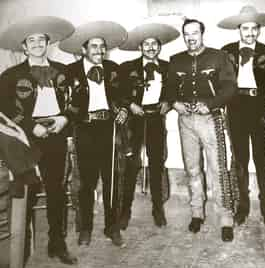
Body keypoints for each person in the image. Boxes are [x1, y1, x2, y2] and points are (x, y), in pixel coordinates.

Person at [0, 16, 77, 264]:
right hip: (25, 137)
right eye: (31, 40)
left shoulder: (63, 71)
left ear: (48, 43)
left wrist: (64, 118)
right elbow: (5, 107)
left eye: (40, 39)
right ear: (24, 47)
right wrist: (31, 126)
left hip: (56, 133)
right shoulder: (10, 75)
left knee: (56, 190)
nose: (36, 44)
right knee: (25, 191)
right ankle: (19, 248)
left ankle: (57, 243)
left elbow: (77, 101)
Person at [164, 18, 237, 242]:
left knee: (218, 168)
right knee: (192, 169)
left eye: (195, 33)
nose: (191, 38)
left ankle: (225, 218)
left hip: (210, 119)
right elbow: (168, 88)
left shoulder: (219, 57)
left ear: (202, 34)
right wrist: (175, 103)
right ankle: (197, 212)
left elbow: (230, 87)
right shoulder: (176, 60)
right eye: (187, 34)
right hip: (185, 120)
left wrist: (211, 104)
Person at [59, 21, 128, 247]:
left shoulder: (113, 68)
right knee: (85, 183)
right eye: (94, 46)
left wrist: (124, 109)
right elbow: (63, 104)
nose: (100, 51)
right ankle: (85, 228)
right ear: (83, 49)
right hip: (84, 129)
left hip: (109, 128)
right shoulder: (69, 72)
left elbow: (124, 95)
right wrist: (69, 134)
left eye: (102, 46)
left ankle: (112, 228)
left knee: (112, 181)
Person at [218, 6, 265, 229]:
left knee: (262, 160)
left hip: (259, 107)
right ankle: (242, 207)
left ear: (259, 30)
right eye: (246, 28)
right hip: (236, 107)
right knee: (240, 160)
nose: (250, 33)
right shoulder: (225, 51)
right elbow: (220, 83)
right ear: (239, 29)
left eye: (254, 28)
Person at [118, 23, 180, 229]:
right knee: (130, 165)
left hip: (156, 119)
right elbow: (118, 93)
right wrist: (130, 104)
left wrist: (168, 102)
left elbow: (175, 91)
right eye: (147, 44)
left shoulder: (168, 67)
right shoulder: (127, 67)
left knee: (156, 164)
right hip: (135, 119)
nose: (151, 47)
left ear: (159, 47)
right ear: (140, 47)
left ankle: (158, 209)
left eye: (155, 44)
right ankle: (124, 211)